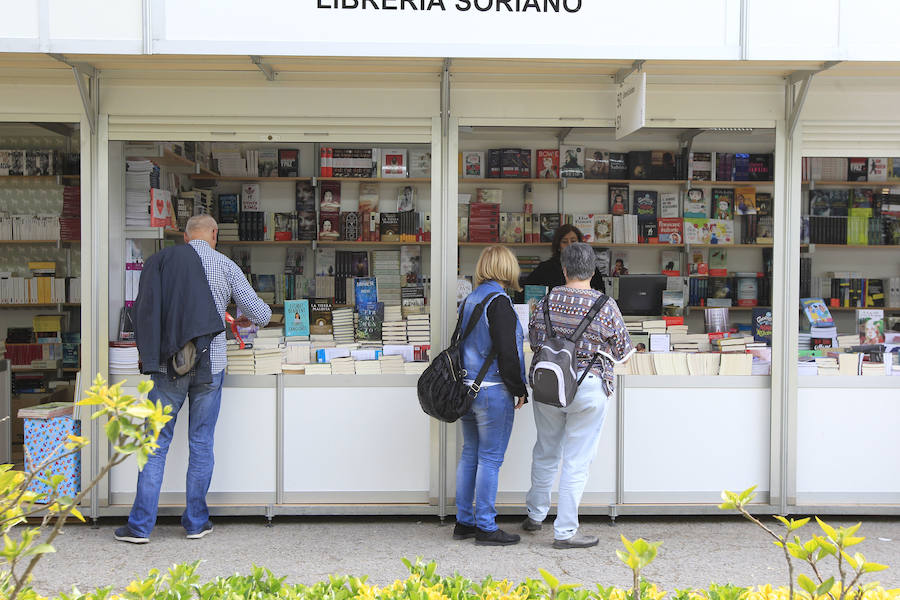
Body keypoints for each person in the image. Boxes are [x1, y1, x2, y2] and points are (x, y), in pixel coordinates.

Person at [116, 215, 272, 544]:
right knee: (201, 444)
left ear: (186, 238)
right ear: (214, 234)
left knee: (155, 445)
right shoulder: (226, 266)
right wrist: (234, 310)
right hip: (211, 365)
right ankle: (197, 521)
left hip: (168, 363)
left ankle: (140, 526)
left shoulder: (162, 262)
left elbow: (144, 309)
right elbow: (262, 314)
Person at [524, 242, 634, 549]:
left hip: (548, 385)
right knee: (576, 460)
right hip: (588, 387)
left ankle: (535, 514)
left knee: (546, 449)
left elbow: (535, 341)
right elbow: (624, 353)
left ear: (563, 269)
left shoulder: (545, 302)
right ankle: (565, 531)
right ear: (594, 270)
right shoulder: (605, 305)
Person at [453, 246, 528, 546]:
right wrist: (520, 390)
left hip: (467, 390)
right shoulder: (500, 303)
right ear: (508, 269)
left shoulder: (469, 300)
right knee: (490, 459)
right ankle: (485, 526)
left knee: (470, 454)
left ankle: (464, 522)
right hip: (493, 391)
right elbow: (509, 353)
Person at [522, 224, 605, 291]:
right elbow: (526, 291)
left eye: (573, 241)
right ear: (558, 246)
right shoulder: (545, 268)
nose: (569, 245)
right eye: (564, 242)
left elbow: (601, 292)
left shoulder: (589, 267)